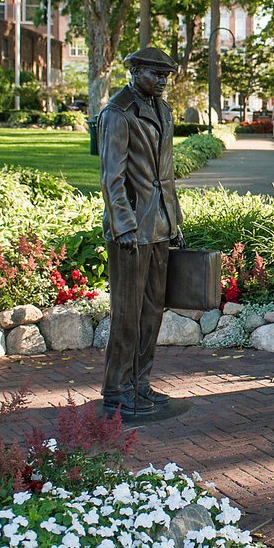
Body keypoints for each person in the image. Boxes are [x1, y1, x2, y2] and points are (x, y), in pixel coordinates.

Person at [99, 46, 183, 419]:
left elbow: (165, 176)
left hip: (160, 225)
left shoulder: (162, 111)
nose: (162, 81)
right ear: (134, 72)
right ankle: (117, 389)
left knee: (152, 312)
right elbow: (111, 178)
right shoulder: (118, 113)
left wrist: (174, 221)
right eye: (155, 74)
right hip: (131, 231)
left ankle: (140, 383)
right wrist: (122, 225)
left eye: (166, 75)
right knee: (127, 313)